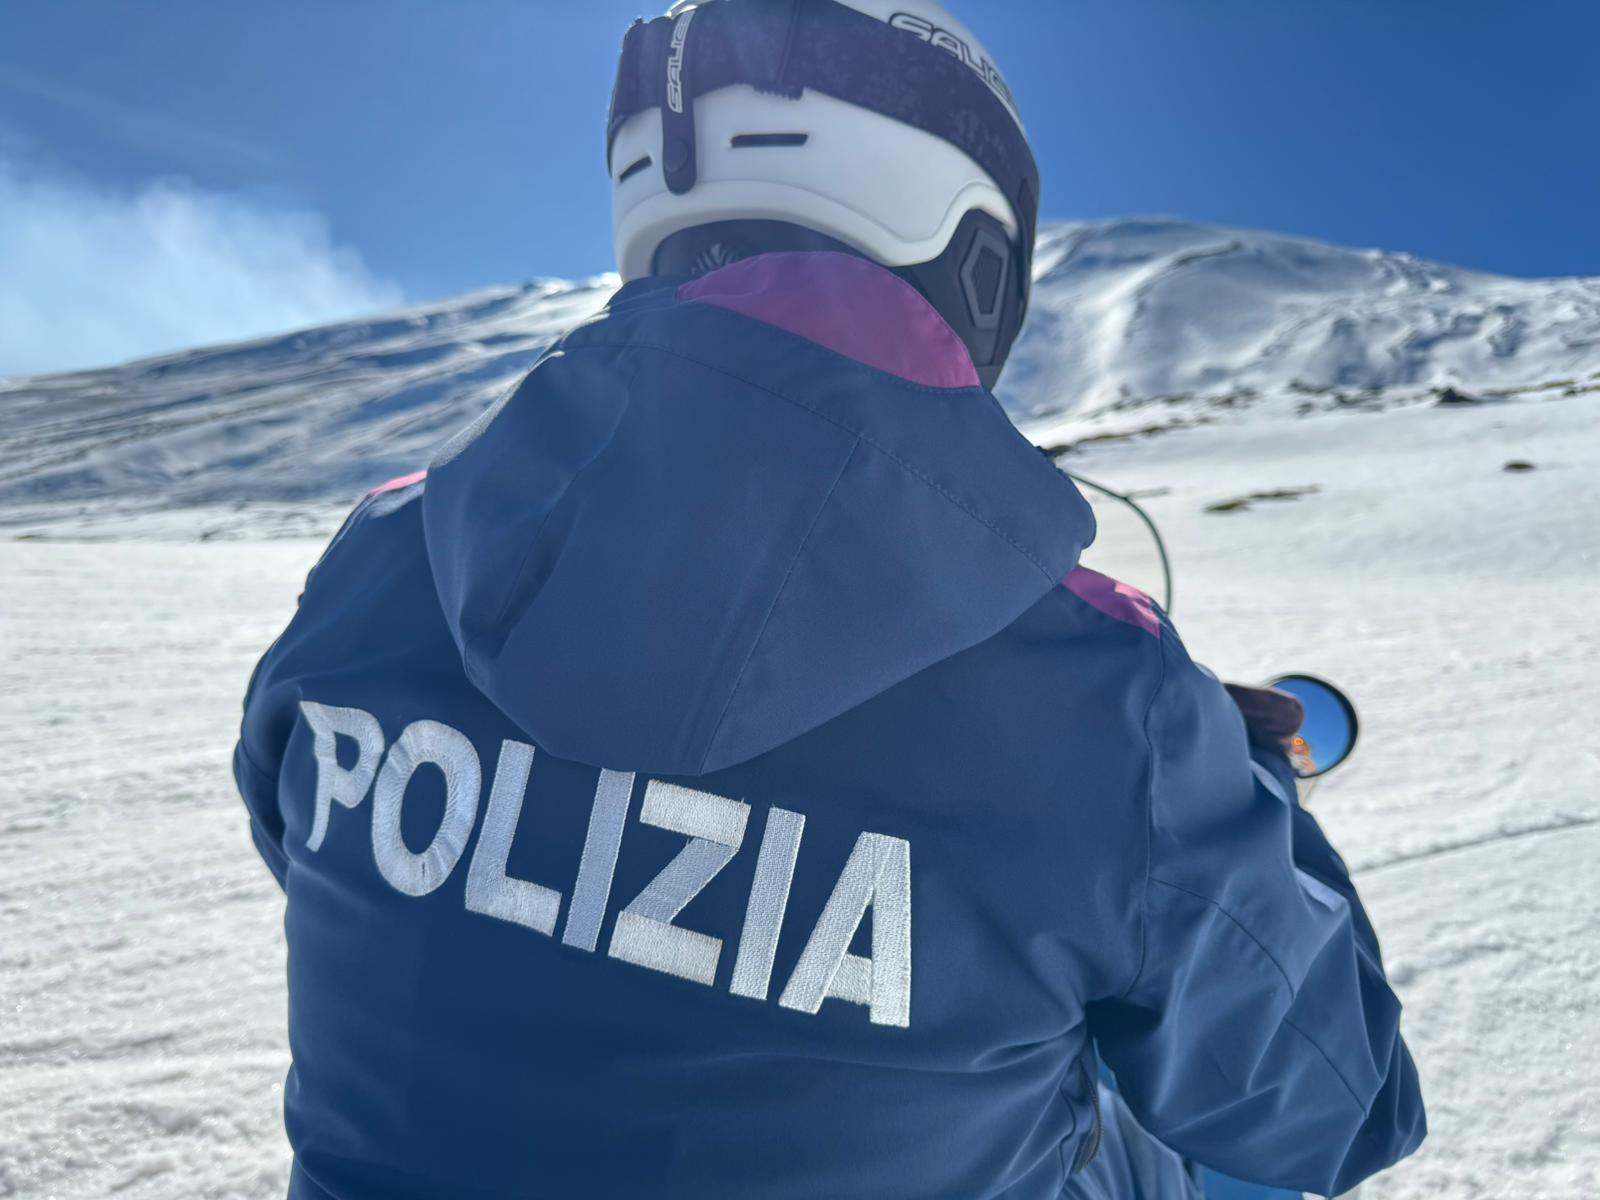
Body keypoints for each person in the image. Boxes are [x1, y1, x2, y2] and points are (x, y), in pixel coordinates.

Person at [234, 2, 1426, 1197]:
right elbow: (1336, 1109)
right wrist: (1237, 785)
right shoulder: (1107, 700)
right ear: (977, 259)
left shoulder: (390, 550)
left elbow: (301, 846)